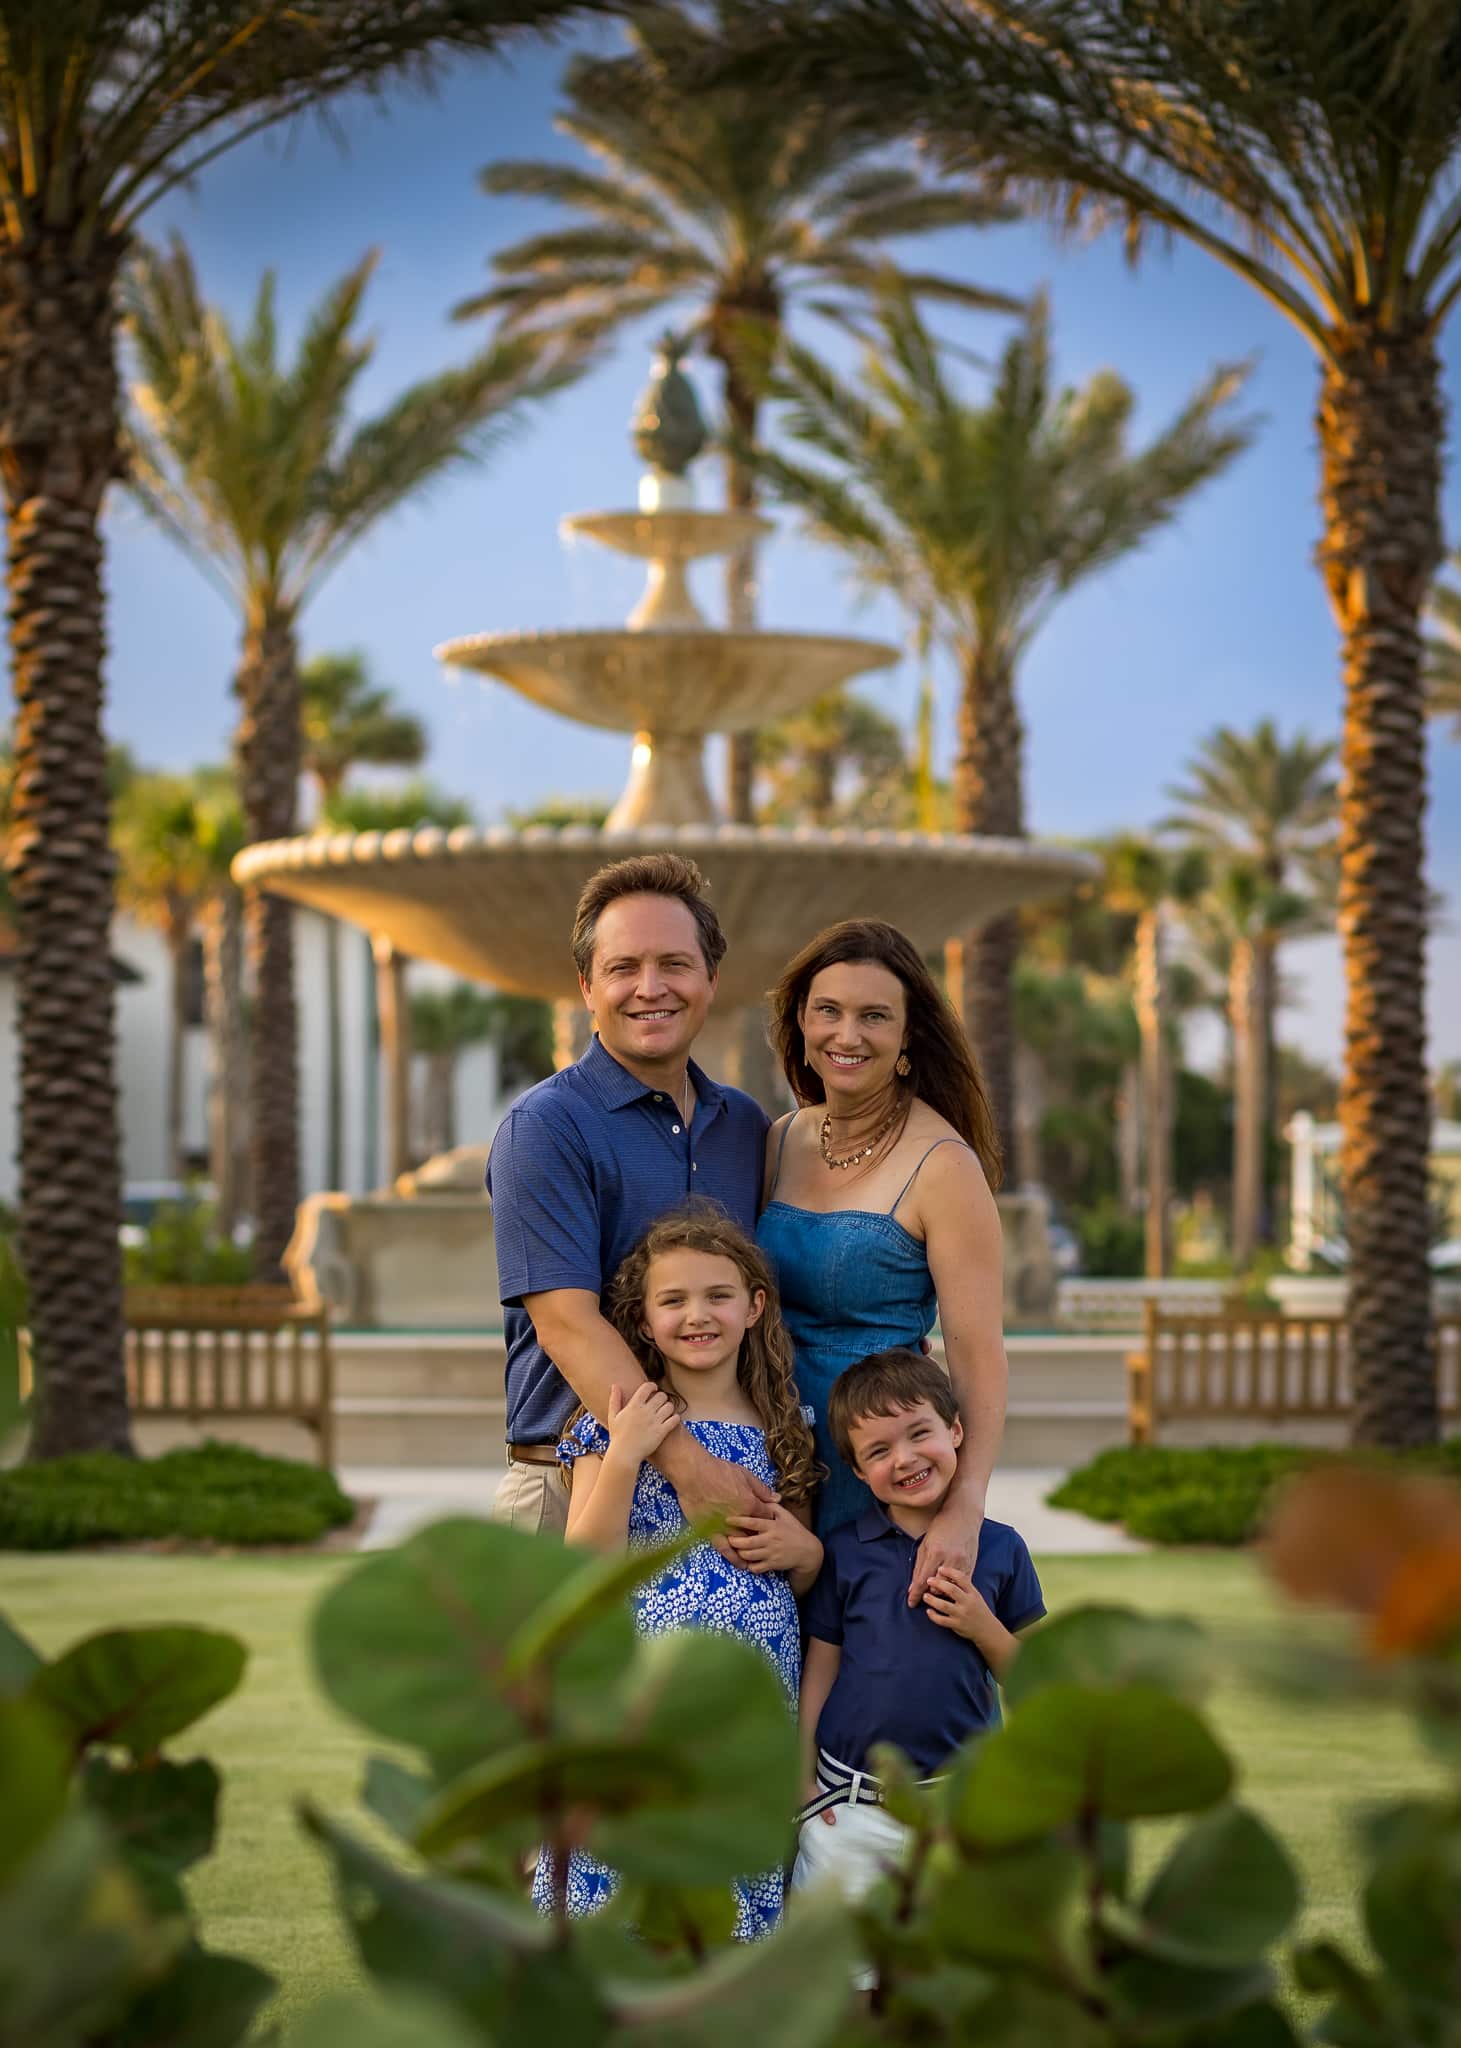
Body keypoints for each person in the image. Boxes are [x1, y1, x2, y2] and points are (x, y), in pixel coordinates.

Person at [533, 1204, 824, 1937]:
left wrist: (809, 1555)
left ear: (755, 1307)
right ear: (642, 1317)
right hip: (640, 1691)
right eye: (673, 1300)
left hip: (748, 1699)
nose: (697, 1315)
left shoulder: (785, 1427)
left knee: (722, 1903)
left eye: (718, 1295)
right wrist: (627, 1453)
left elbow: (799, 1575)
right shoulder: (615, 1422)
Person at [486, 853, 774, 1537]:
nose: (651, 988)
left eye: (675, 964)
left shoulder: (746, 1127)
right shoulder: (545, 1126)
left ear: (711, 979)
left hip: (733, 1486)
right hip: (571, 1495)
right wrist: (691, 1469)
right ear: (587, 988)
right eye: (623, 968)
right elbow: (566, 1324)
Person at [756, 920, 1008, 1598]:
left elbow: (980, 1357)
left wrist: (964, 1506)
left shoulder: (944, 1165)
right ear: (800, 1022)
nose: (847, 1035)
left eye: (874, 1016)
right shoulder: (780, 1140)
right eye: (828, 1011)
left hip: (880, 1467)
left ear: (907, 1035)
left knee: (870, 1654)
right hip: (774, 1456)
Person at [792, 1349, 1044, 1913]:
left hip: (958, 1810)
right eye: (878, 1451)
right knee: (839, 1958)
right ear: (858, 1471)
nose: (904, 1459)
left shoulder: (1000, 1548)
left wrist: (981, 1625)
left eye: (919, 1433)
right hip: (848, 1806)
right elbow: (823, 1666)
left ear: (956, 1430)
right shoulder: (844, 1553)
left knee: (949, 1955)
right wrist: (800, 1766)